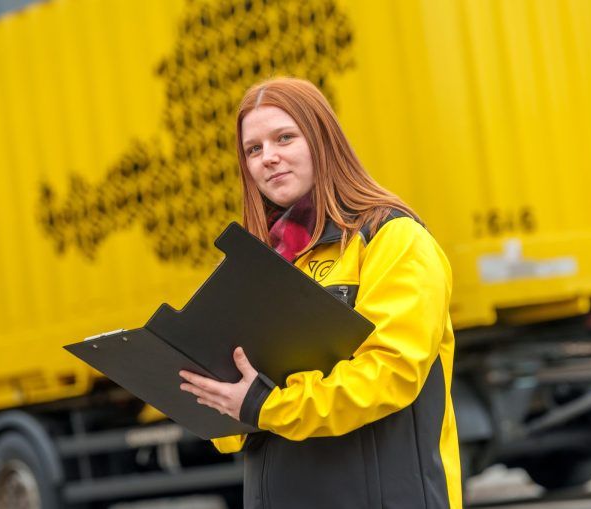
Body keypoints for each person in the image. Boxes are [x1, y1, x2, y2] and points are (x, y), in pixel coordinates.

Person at [178, 77, 461, 508]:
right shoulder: (254, 265)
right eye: (253, 149)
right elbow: (234, 427)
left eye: (284, 138)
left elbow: (391, 374)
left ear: (322, 140)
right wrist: (215, 398)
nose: (268, 158)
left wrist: (266, 404)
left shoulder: (391, 237)